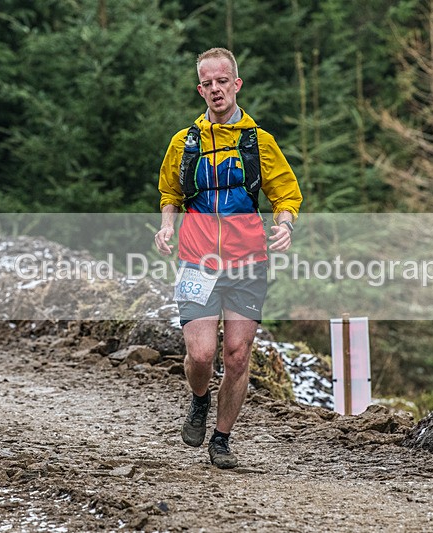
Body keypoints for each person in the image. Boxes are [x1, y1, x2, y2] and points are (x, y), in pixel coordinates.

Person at [155, 47, 302, 469]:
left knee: (238, 354)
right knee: (201, 354)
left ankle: (221, 439)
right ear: (200, 89)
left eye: (223, 81)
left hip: (248, 261)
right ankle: (199, 400)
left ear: (236, 84)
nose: (216, 89)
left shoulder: (259, 142)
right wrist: (167, 225)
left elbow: (285, 194)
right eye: (208, 83)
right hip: (197, 258)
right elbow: (170, 193)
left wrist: (285, 225)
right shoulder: (185, 142)